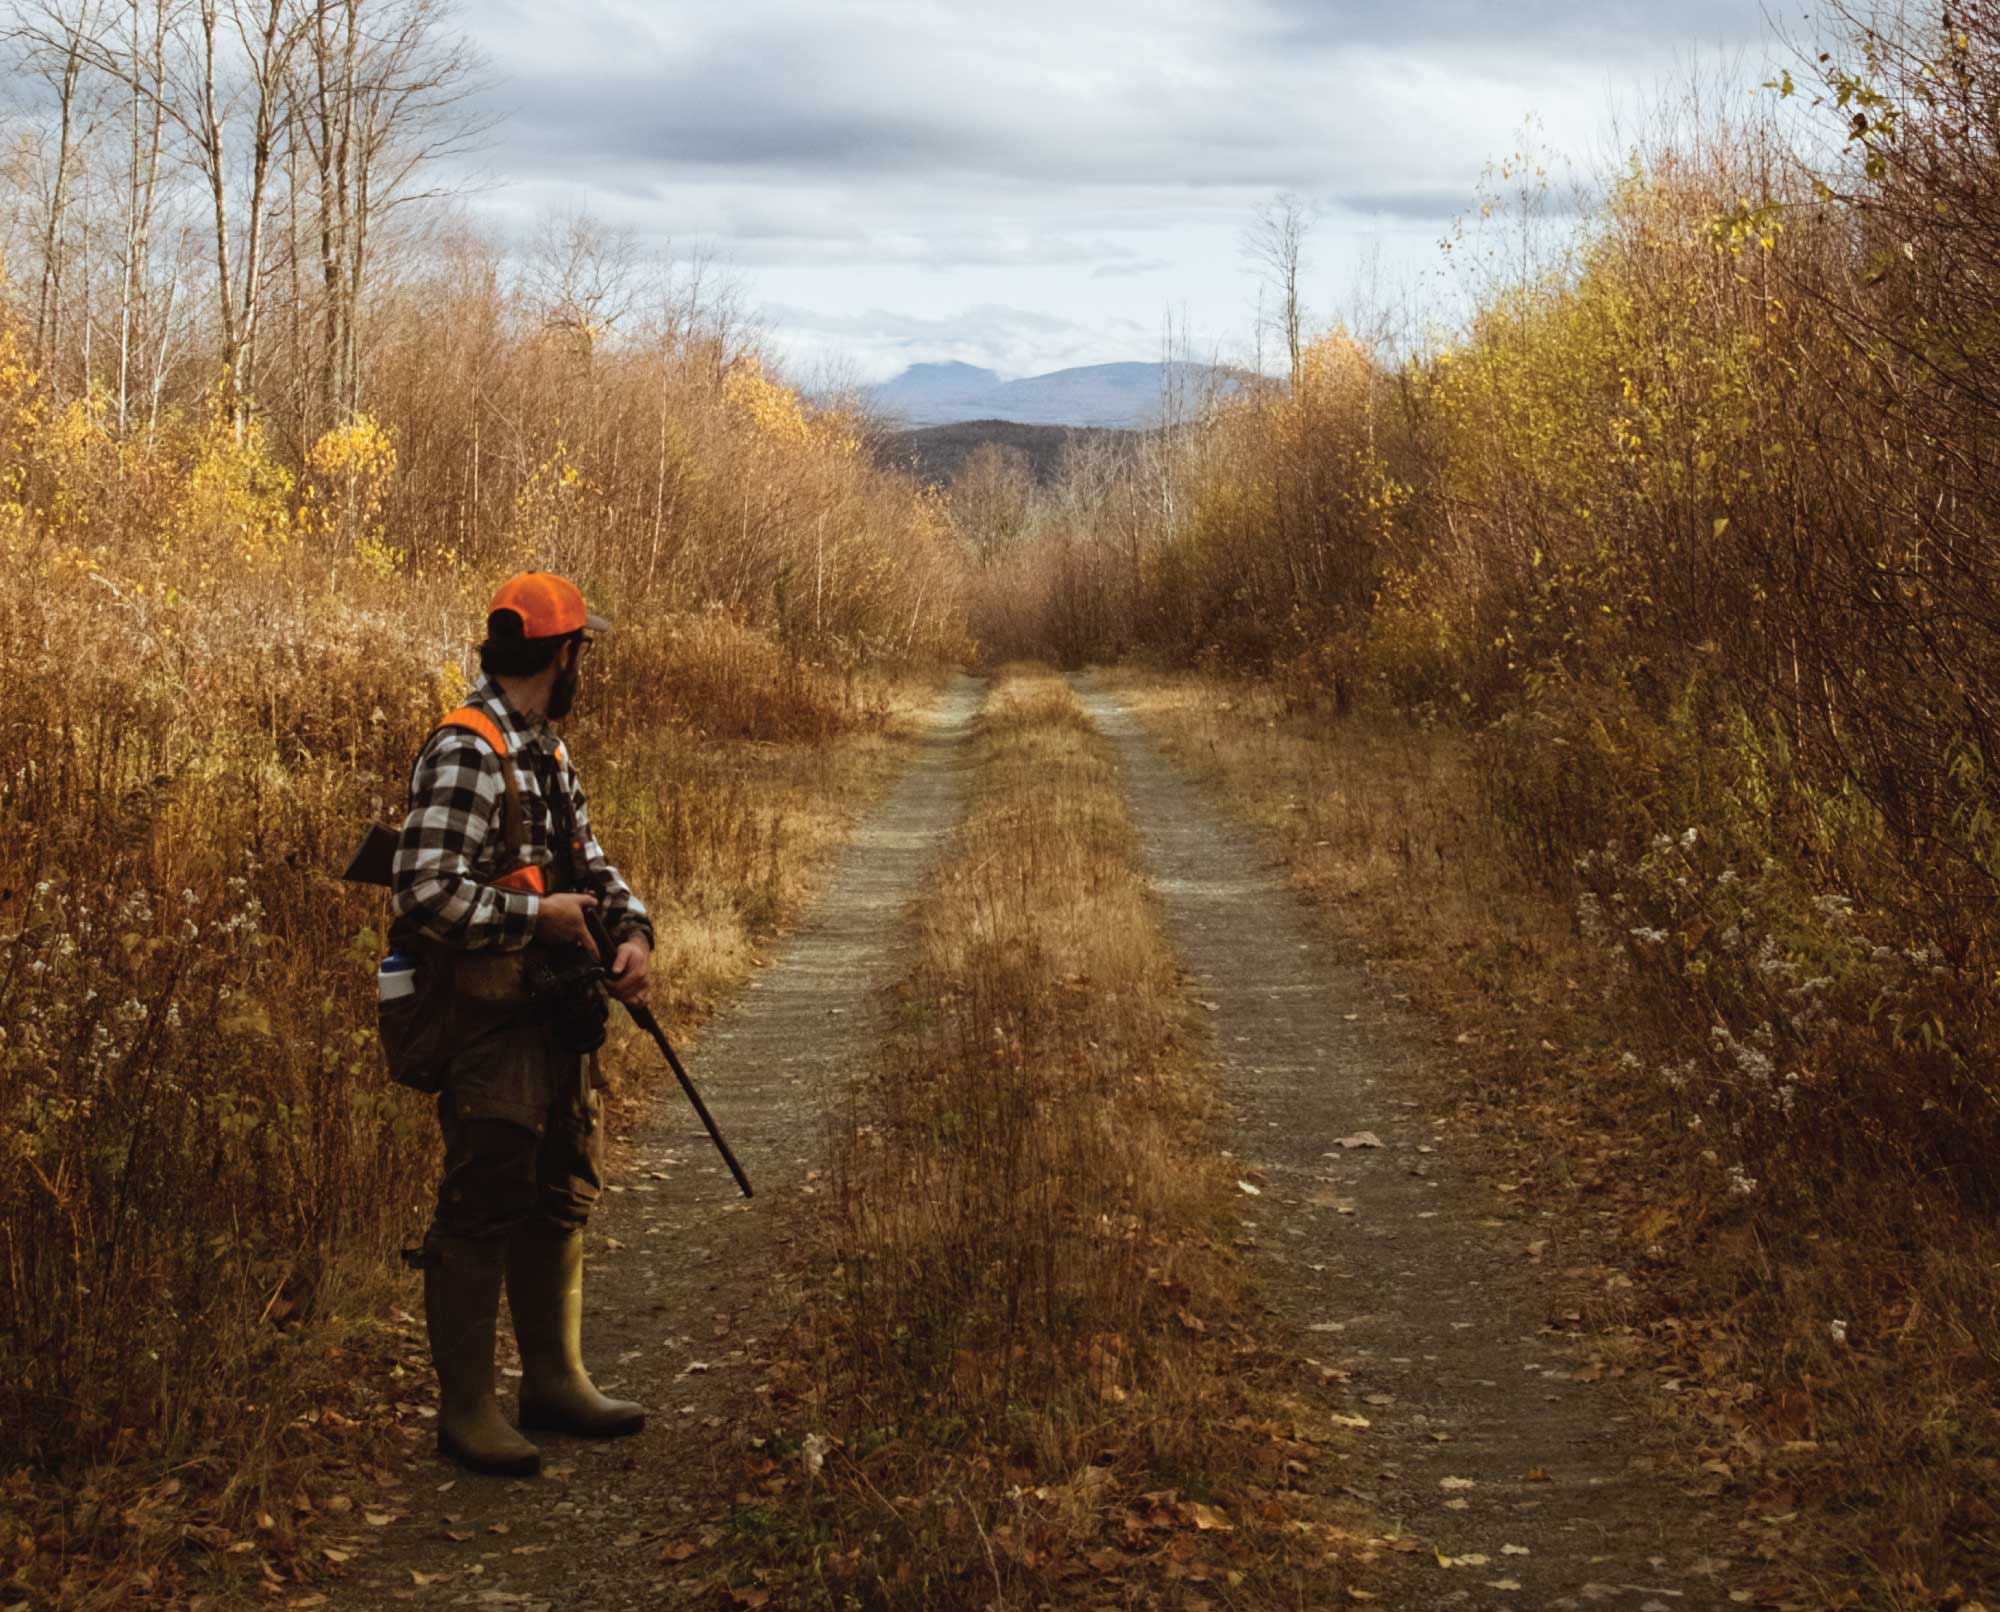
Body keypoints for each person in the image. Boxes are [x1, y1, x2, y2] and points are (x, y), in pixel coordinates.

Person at [391, 572, 655, 1476]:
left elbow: (589, 860)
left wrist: (632, 933)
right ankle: (466, 1413)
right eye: (584, 648)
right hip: (486, 1019)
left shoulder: (546, 746)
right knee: (483, 1193)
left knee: (558, 1185)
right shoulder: (467, 748)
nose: (587, 664)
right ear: (561, 653)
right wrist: (535, 921)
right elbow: (424, 892)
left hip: (553, 1005)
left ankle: (556, 1385)